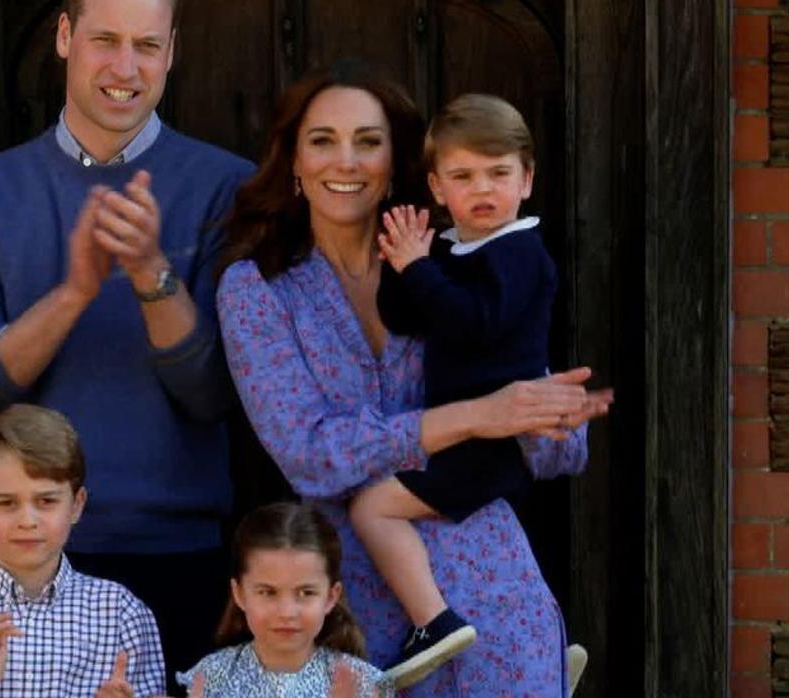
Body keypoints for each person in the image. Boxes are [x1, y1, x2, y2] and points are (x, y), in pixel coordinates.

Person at [215, 62, 610, 696]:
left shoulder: (457, 262)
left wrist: (553, 419)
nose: (346, 160)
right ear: (293, 160)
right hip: (352, 605)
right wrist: (474, 417)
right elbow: (309, 455)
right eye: (322, 140)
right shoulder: (258, 291)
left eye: (368, 141)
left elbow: (556, 446)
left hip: (493, 590)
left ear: (396, 162)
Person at [0, 0, 253, 689]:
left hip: (175, 556)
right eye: (105, 40)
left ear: (172, 52)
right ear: (65, 37)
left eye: (146, 45)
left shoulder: (227, 188)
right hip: (12, 562)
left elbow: (215, 395)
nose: (125, 68)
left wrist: (149, 275)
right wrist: (73, 291)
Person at [348, 94, 563, 687]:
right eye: (463, 176)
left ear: (527, 179)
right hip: (462, 434)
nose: (483, 189)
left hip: (489, 444)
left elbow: (476, 323)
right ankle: (537, 659)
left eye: (499, 173)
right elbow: (404, 316)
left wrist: (421, 268)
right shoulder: (453, 248)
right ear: (438, 189)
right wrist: (403, 262)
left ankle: (434, 622)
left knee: (372, 507)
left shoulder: (520, 251)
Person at [0, 404, 166, 697]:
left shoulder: (121, 614)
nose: (27, 521)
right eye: (7, 503)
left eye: (46, 501)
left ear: (76, 504)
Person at [177, 502, 391, 698]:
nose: (286, 612)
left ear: (330, 596)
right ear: (239, 593)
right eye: (268, 592)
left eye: (306, 593)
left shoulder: (361, 683)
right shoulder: (211, 677)